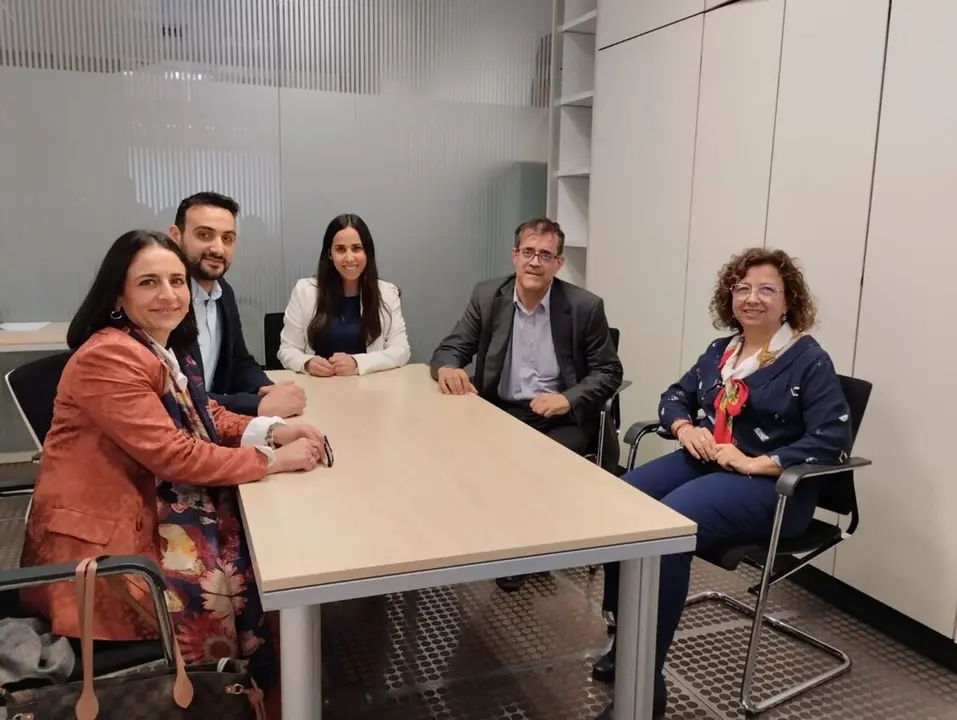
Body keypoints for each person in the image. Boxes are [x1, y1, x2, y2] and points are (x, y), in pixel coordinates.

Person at [19, 230, 330, 692]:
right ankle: (243, 691)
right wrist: (274, 460)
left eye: (177, 281)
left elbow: (206, 414)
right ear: (118, 295)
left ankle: (280, 681)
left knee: (272, 541)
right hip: (106, 554)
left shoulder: (162, 345)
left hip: (153, 503)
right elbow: (175, 455)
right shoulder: (108, 356)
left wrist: (274, 430)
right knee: (253, 571)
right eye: (148, 283)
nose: (169, 295)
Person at [592, 248, 852, 720]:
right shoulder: (721, 352)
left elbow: (832, 440)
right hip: (709, 463)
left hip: (774, 489)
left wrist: (756, 461)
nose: (752, 298)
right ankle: (625, 639)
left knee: (666, 530)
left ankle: (644, 687)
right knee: (622, 500)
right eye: (742, 288)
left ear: (788, 299)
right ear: (729, 297)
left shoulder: (808, 360)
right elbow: (675, 396)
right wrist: (685, 428)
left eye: (766, 288)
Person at [430, 217, 623, 592]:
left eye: (546, 255)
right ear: (515, 256)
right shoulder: (488, 297)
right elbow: (451, 347)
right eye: (529, 252)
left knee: (531, 464)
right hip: (501, 410)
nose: (536, 262)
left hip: (560, 417)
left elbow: (609, 372)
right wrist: (449, 368)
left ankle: (523, 552)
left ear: (558, 263)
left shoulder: (584, 307)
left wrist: (567, 399)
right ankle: (487, 539)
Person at [169, 191, 306, 417]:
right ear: (176, 236)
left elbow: (238, 360)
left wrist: (264, 387)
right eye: (204, 235)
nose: (218, 249)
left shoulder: (223, 292)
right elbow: (173, 393)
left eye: (227, 238)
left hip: (216, 426)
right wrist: (255, 406)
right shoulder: (164, 302)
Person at [277, 213, 410, 377]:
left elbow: (401, 351)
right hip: (317, 389)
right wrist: (307, 363)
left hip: (370, 390)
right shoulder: (304, 291)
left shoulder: (388, 293)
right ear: (330, 254)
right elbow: (287, 349)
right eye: (340, 249)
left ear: (367, 252)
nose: (349, 258)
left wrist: (357, 363)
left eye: (356, 248)